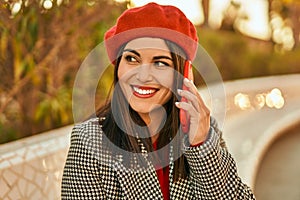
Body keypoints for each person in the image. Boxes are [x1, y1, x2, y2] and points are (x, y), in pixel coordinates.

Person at [61, 2, 256, 199]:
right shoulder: (90, 141)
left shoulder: (204, 130)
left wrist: (200, 146)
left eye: (160, 63)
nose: (143, 76)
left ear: (183, 74)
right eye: (132, 59)